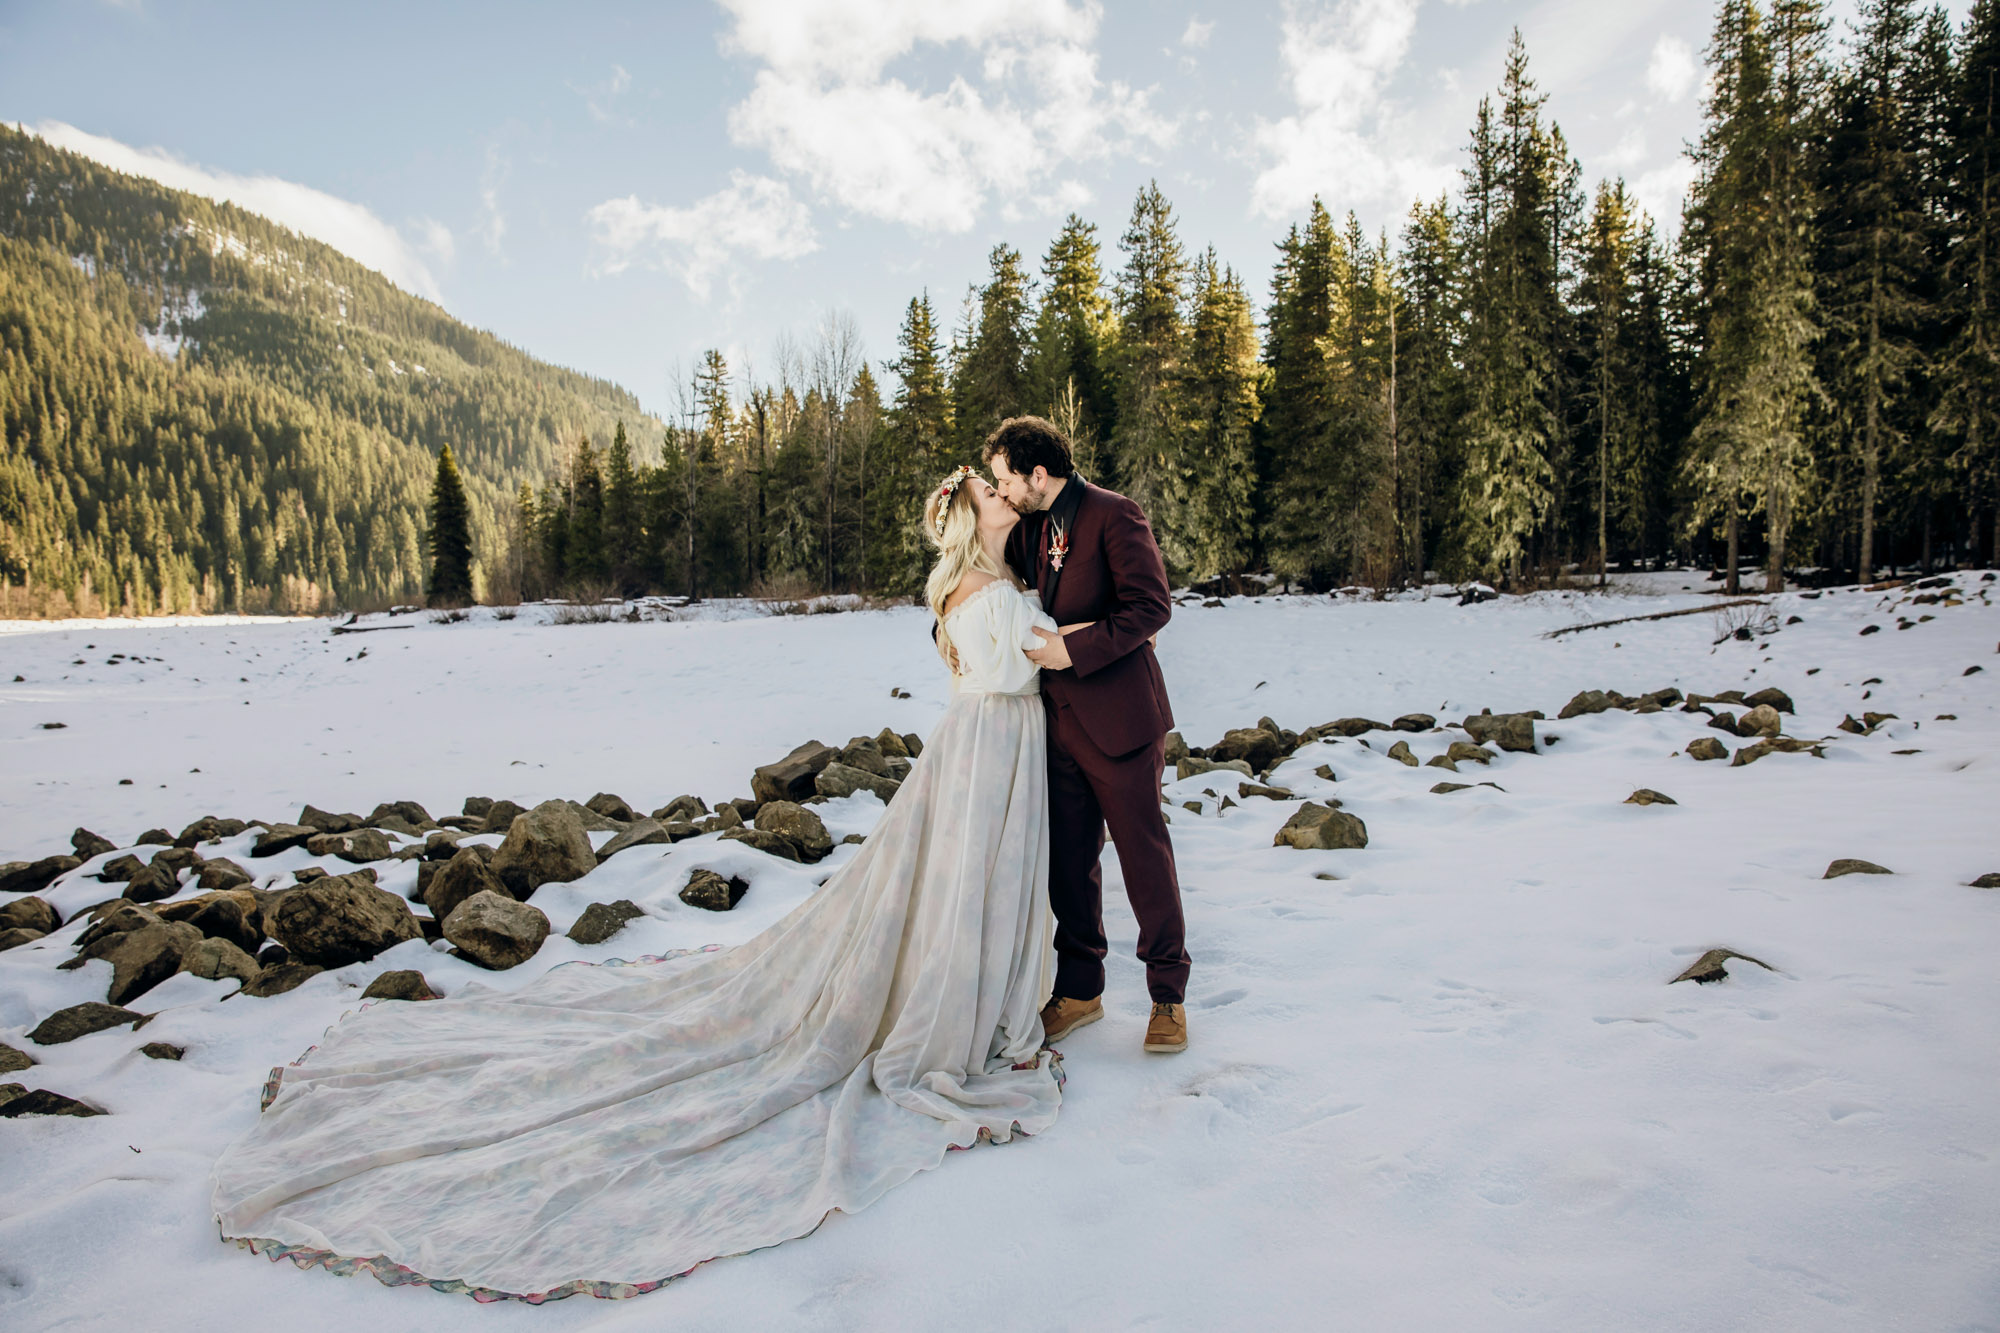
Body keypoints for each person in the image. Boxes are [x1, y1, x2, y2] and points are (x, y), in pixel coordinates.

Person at [209, 467, 1064, 1304]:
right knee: (958, 879)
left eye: (1004, 488)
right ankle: (951, 1003)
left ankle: (967, 986)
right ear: (967, 518)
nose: (1007, 496)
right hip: (990, 744)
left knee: (955, 882)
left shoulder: (994, 576)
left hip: (987, 746)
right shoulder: (983, 586)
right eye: (993, 491)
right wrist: (1092, 635)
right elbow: (1025, 667)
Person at [985, 416, 1192, 1055]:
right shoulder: (1027, 528)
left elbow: (1150, 608)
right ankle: (1080, 990)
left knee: (1143, 857)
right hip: (1054, 724)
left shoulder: (1114, 515)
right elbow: (994, 584)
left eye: (1005, 480)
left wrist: (1072, 652)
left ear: (1037, 475)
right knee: (1069, 865)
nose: (1004, 492)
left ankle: (1168, 998)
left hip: (1121, 720)